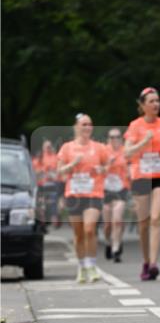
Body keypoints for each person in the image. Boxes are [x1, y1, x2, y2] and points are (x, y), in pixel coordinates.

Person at [124, 87, 160, 280]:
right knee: (143, 223)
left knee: (155, 218)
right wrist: (143, 142)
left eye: (158, 101)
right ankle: (145, 261)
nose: (156, 104)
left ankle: (153, 263)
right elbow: (127, 153)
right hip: (141, 177)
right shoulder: (135, 126)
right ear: (143, 105)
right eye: (151, 101)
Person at [56, 114, 109, 282]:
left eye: (89, 124)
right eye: (84, 124)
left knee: (89, 228)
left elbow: (108, 165)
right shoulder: (67, 148)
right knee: (78, 234)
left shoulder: (99, 147)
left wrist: (102, 169)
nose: (87, 127)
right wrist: (73, 164)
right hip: (74, 194)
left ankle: (92, 265)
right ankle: (82, 267)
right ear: (76, 127)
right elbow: (60, 171)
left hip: (94, 194)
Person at [102, 129, 130, 262]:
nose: (115, 139)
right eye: (112, 137)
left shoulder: (125, 151)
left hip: (121, 188)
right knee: (107, 223)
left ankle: (116, 248)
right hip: (106, 189)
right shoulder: (103, 151)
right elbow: (97, 170)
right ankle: (108, 242)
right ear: (108, 139)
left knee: (117, 219)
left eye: (118, 137)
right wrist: (108, 164)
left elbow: (131, 167)